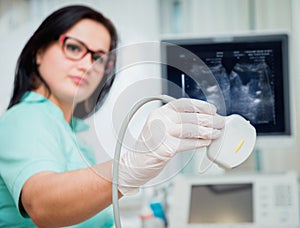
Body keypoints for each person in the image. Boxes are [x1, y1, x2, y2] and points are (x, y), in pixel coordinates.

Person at [0, 5, 225, 228]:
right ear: (39, 53)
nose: (87, 65)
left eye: (99, 58)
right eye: (74, 48)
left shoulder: (71, 130)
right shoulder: (26, 117)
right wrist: (126, 169)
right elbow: (42, 206)